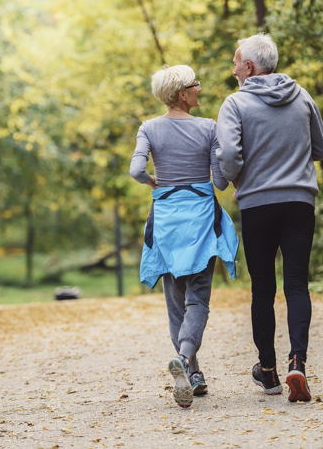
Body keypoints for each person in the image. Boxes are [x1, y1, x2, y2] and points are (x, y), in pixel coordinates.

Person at [216, 34, 323, 402]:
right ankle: (298, 361)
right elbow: (321, 148)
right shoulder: (303, 96)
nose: (233, 69)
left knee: (263, 287)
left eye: (236, 62)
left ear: (249, 67)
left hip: (257, 205)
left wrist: (239, 178)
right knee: (296, 283)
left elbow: (230, 156)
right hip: (299, 202)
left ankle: (268, 372)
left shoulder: (235, 103)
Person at [130, 65, 239, 408]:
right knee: (199, 298)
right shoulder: (208, 128)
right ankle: (187, 355)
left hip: (165, 221)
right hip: (200, 221)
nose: (200, 88)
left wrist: (153, 182)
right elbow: (220, 182)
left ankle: (191, 370)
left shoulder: (149, 128)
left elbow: (135, 170)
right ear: (182, 94)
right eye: (195, 85)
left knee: (175, 300)